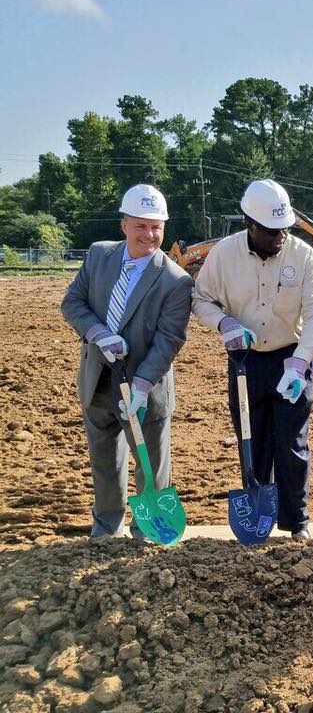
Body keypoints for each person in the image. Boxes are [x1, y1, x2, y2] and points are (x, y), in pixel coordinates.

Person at [192, 179, 313, 539]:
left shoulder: (304, 257)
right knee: (252, 441)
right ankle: (259, 522)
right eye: (270, 231)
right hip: (245, 361)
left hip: (292, 359)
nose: (279, 237)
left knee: (292, 442)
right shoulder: (223, 255)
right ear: (249, 225)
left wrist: (300, 363)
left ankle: (295, 522)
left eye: (284, 229)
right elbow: (201, 298)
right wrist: (224, 323)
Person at [61, 184, 193, 537]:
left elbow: (169, 340)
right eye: (141, 225)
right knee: (103, 462)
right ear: (124, 225)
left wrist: (141, 384)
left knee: (149, 463)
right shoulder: (99, 256)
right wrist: (98, 334)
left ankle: (149, 531)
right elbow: (72, 303)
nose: (149, 235)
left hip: (144, 390)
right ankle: (106, 529)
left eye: (156, 227)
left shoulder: (175, 281)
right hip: (98, 381)